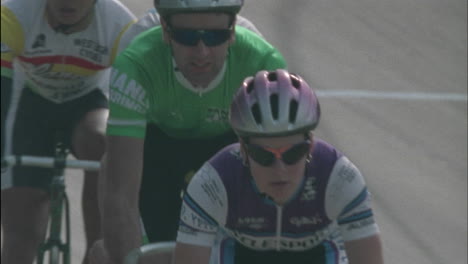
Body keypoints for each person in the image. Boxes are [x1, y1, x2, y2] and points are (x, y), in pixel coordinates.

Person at [94, 0, 287, 262]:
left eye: (215, 36)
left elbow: (280, 179)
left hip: (230, 147)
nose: (202, 52)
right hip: (158, 149)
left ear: (232, 32)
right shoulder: (136, 64)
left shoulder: (262, 64)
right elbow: (121, 194)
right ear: (165, 30)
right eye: (186, 37)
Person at [173, 69, 384, 264]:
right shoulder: (213, 183)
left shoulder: (339, 178)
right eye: (263, 156)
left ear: (310, 146)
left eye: (293, 153)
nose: (279, 169)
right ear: (244, 151)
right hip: (239, 254)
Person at [0, 0, 135, 263]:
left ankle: (94, 250)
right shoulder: (14, 15)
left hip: (89, 102)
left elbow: (137, 108)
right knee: (20, 237)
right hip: (30, 102)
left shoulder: (121, 26)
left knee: (102, 141)